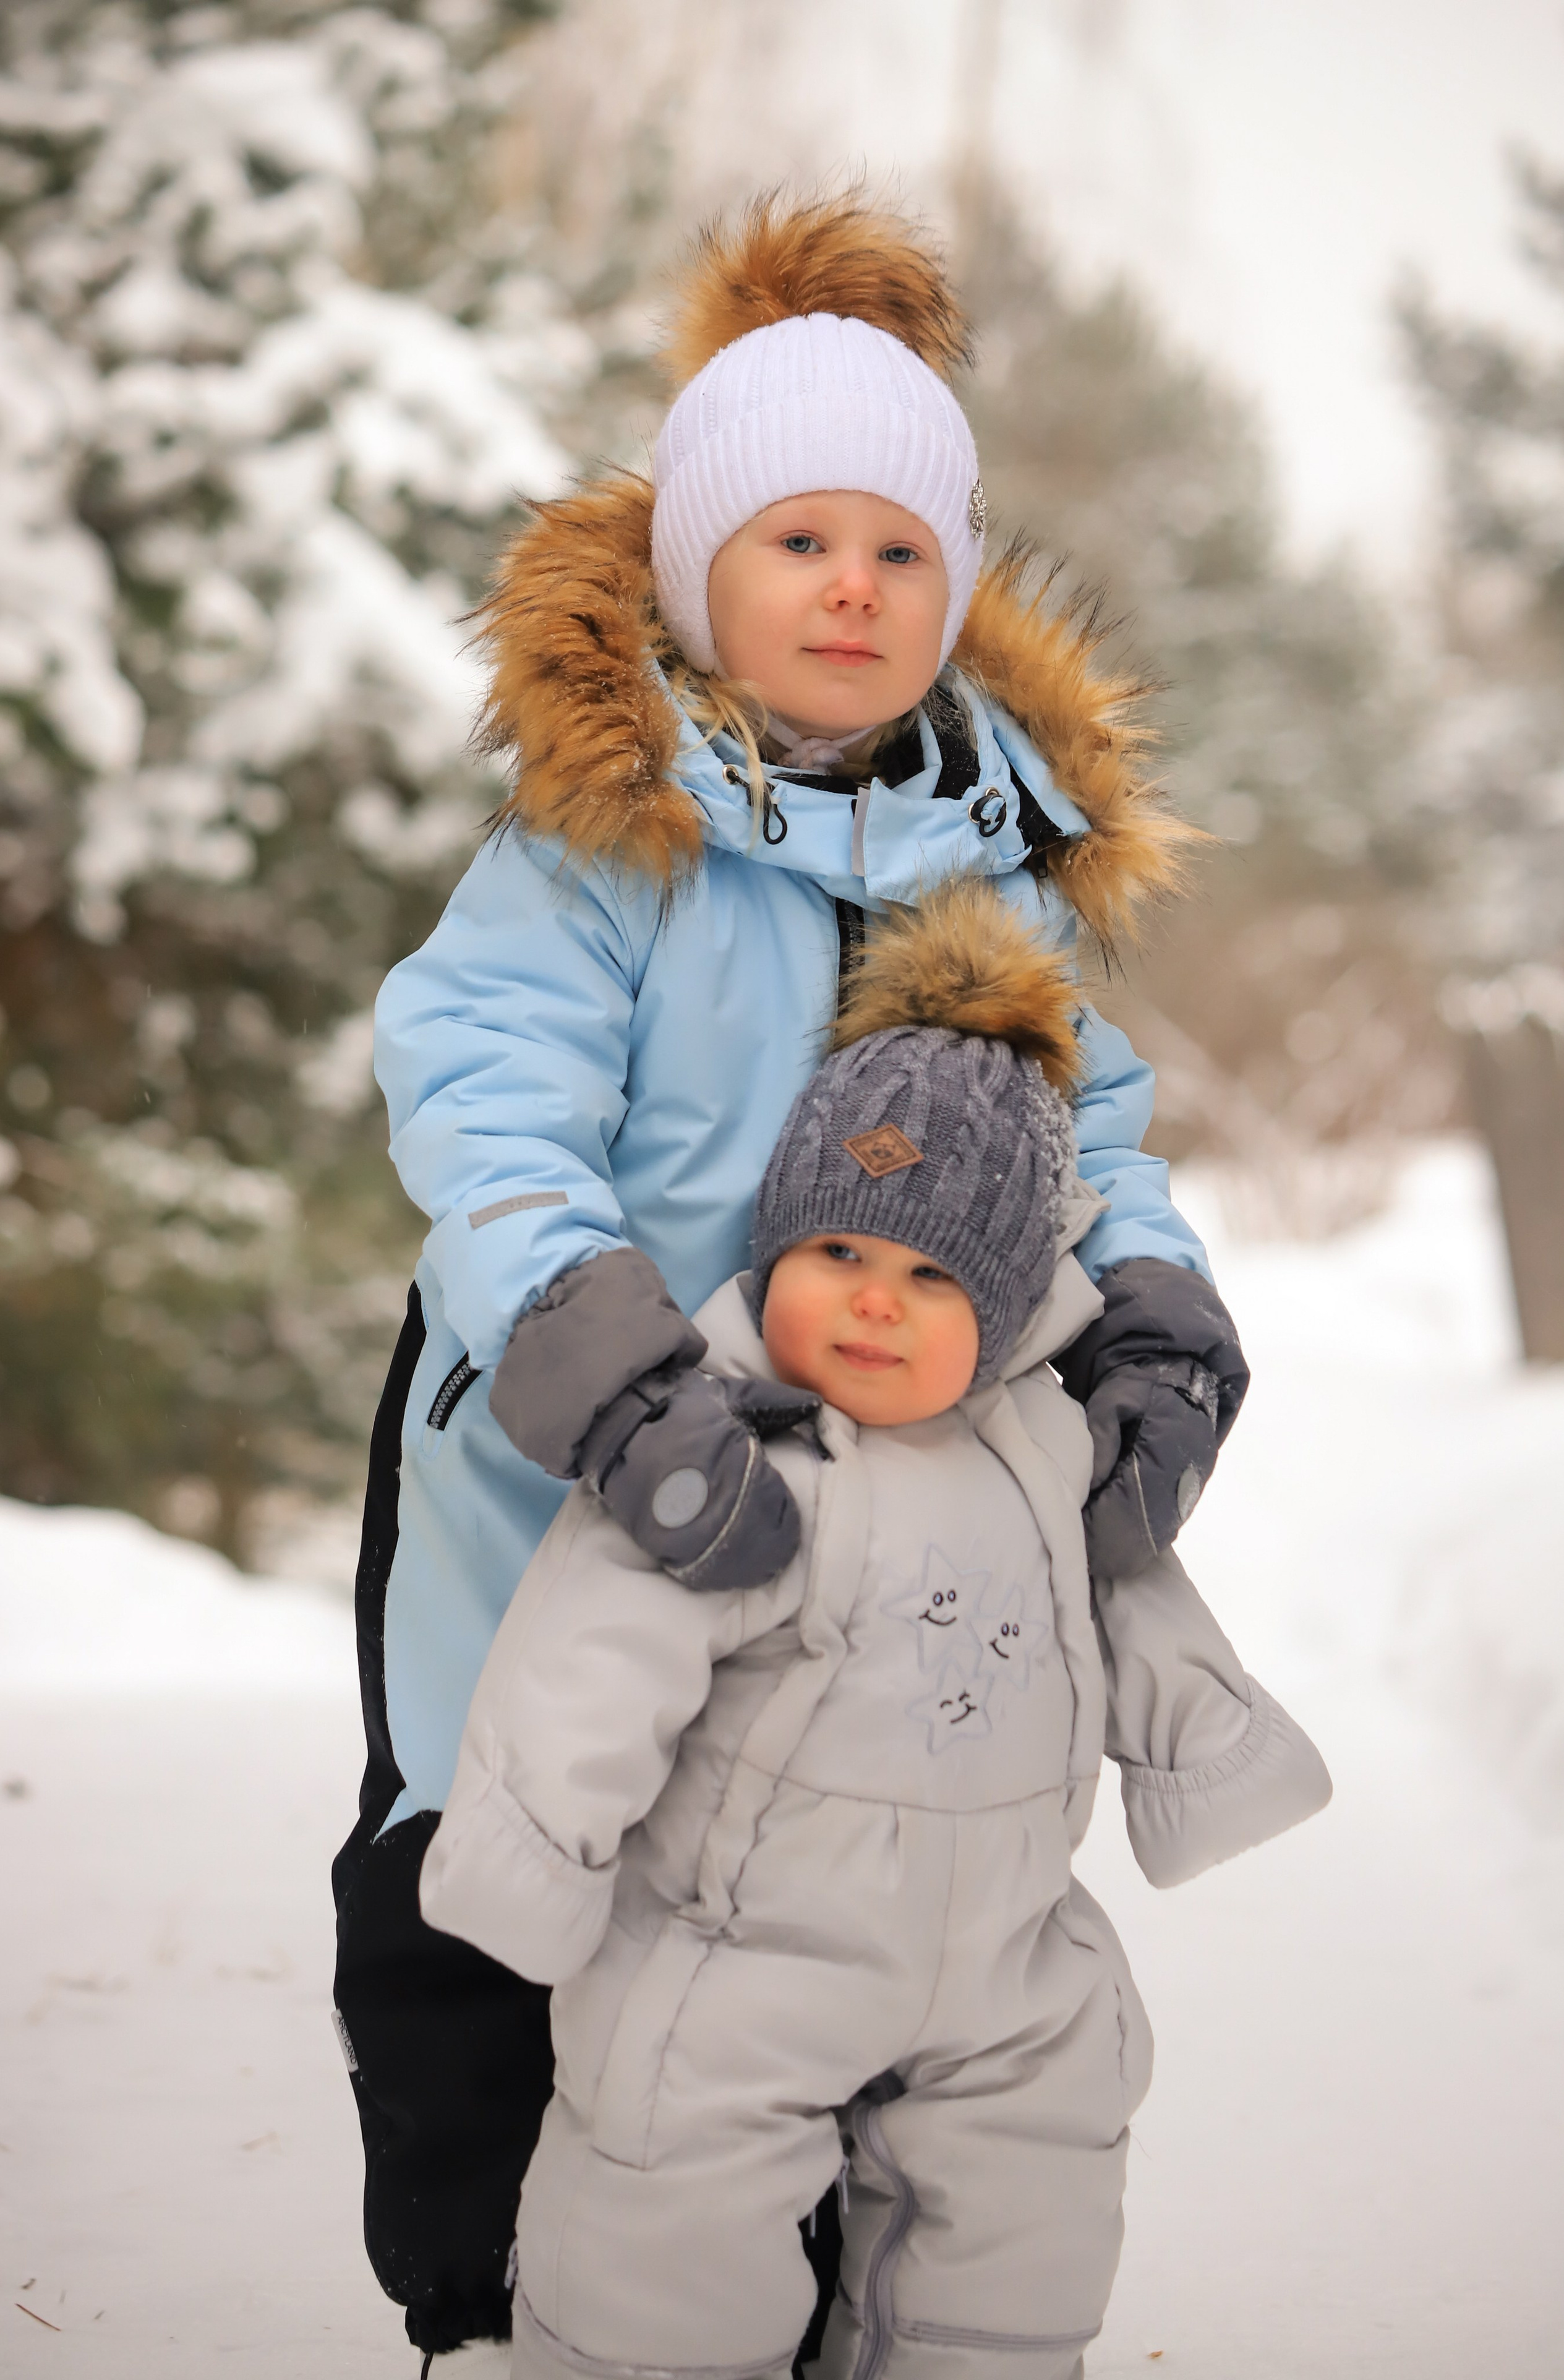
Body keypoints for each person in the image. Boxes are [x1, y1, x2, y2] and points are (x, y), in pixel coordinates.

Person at [332, 191, 1254, 2365]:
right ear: (695, 575)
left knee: (799, 1912)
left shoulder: (989, 863)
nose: (853, 585)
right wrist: (598, 1350)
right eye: (800, 540)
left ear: (955, 587)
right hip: (561, 1453)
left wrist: (1153, 1310)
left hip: (870, 1517)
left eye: (901, 549)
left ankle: (803, 2299)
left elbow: (1092, 1134)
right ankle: (487, 2299)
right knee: (501, 1864)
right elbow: (483, 1093)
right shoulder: (603, 846)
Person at [418, 880, 1331, 2380]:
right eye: (836, 1253)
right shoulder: (729, 1466)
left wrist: (1204, 1753)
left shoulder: (1049, 1452)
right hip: (742, 1953)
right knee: (666, 2207)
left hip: (1008, 1961)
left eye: (929, 1277)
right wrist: (535, 1855)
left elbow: (1129, 1599)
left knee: (1023, 2221)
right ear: (773, 1252)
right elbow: (587, 1662)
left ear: (1009, 1309)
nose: (873, 1307)